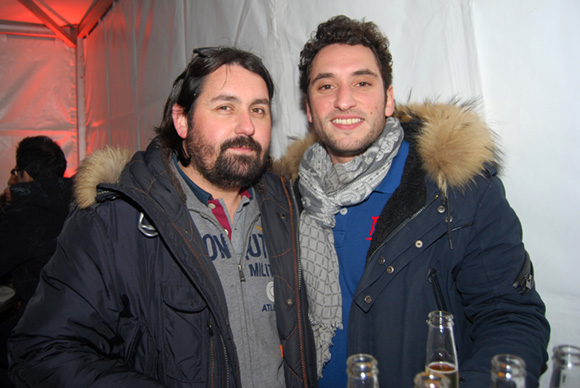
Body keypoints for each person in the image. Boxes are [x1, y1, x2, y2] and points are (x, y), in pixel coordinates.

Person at [8, 47, 317, 388]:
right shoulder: (117, 222)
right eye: (225, 107)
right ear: (182, 120)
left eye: (258, 110)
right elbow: (43, 351)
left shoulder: (290, 209)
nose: (247, 126)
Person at [274, 15, 550, 388]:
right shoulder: (285, 198)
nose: (343, 100)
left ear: (388, 99)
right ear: (309, 108)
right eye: (326, 86)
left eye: (362, 82)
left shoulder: (455, 191)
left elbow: (512, 320)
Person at [0, 135, 72, 387]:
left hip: (39, 324)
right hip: (77, 322)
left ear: (26, 175)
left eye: (16, 172)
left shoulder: (25, 214)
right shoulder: (78, 202)